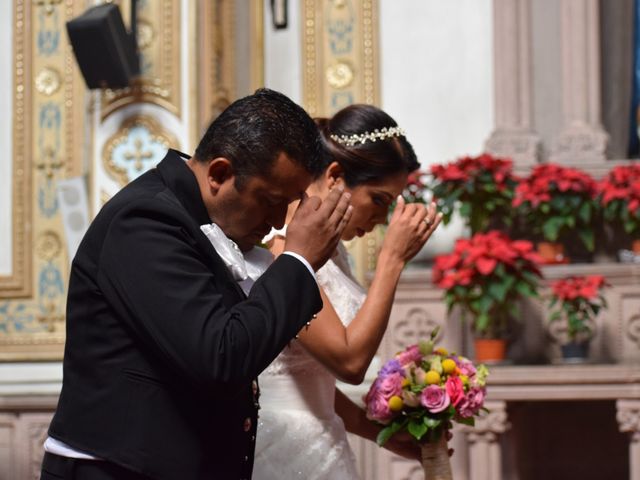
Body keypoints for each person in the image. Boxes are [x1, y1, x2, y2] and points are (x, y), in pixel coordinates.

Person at [40, 89, 353, 480]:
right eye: (270, 199)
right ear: (220, 173)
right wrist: (300, 260)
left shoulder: (206, 222)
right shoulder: (145, 220)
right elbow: (220, 357)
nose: (277, 221)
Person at [250, 104, 443, 479]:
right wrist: (392, 260)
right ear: (336, 175)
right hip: (278, 448)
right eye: (379, 200)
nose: (381, 219)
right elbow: (349, 363)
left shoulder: (334, 253)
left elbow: (312, 386)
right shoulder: (281, 250)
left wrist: (383, 435)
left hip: (322, 441)